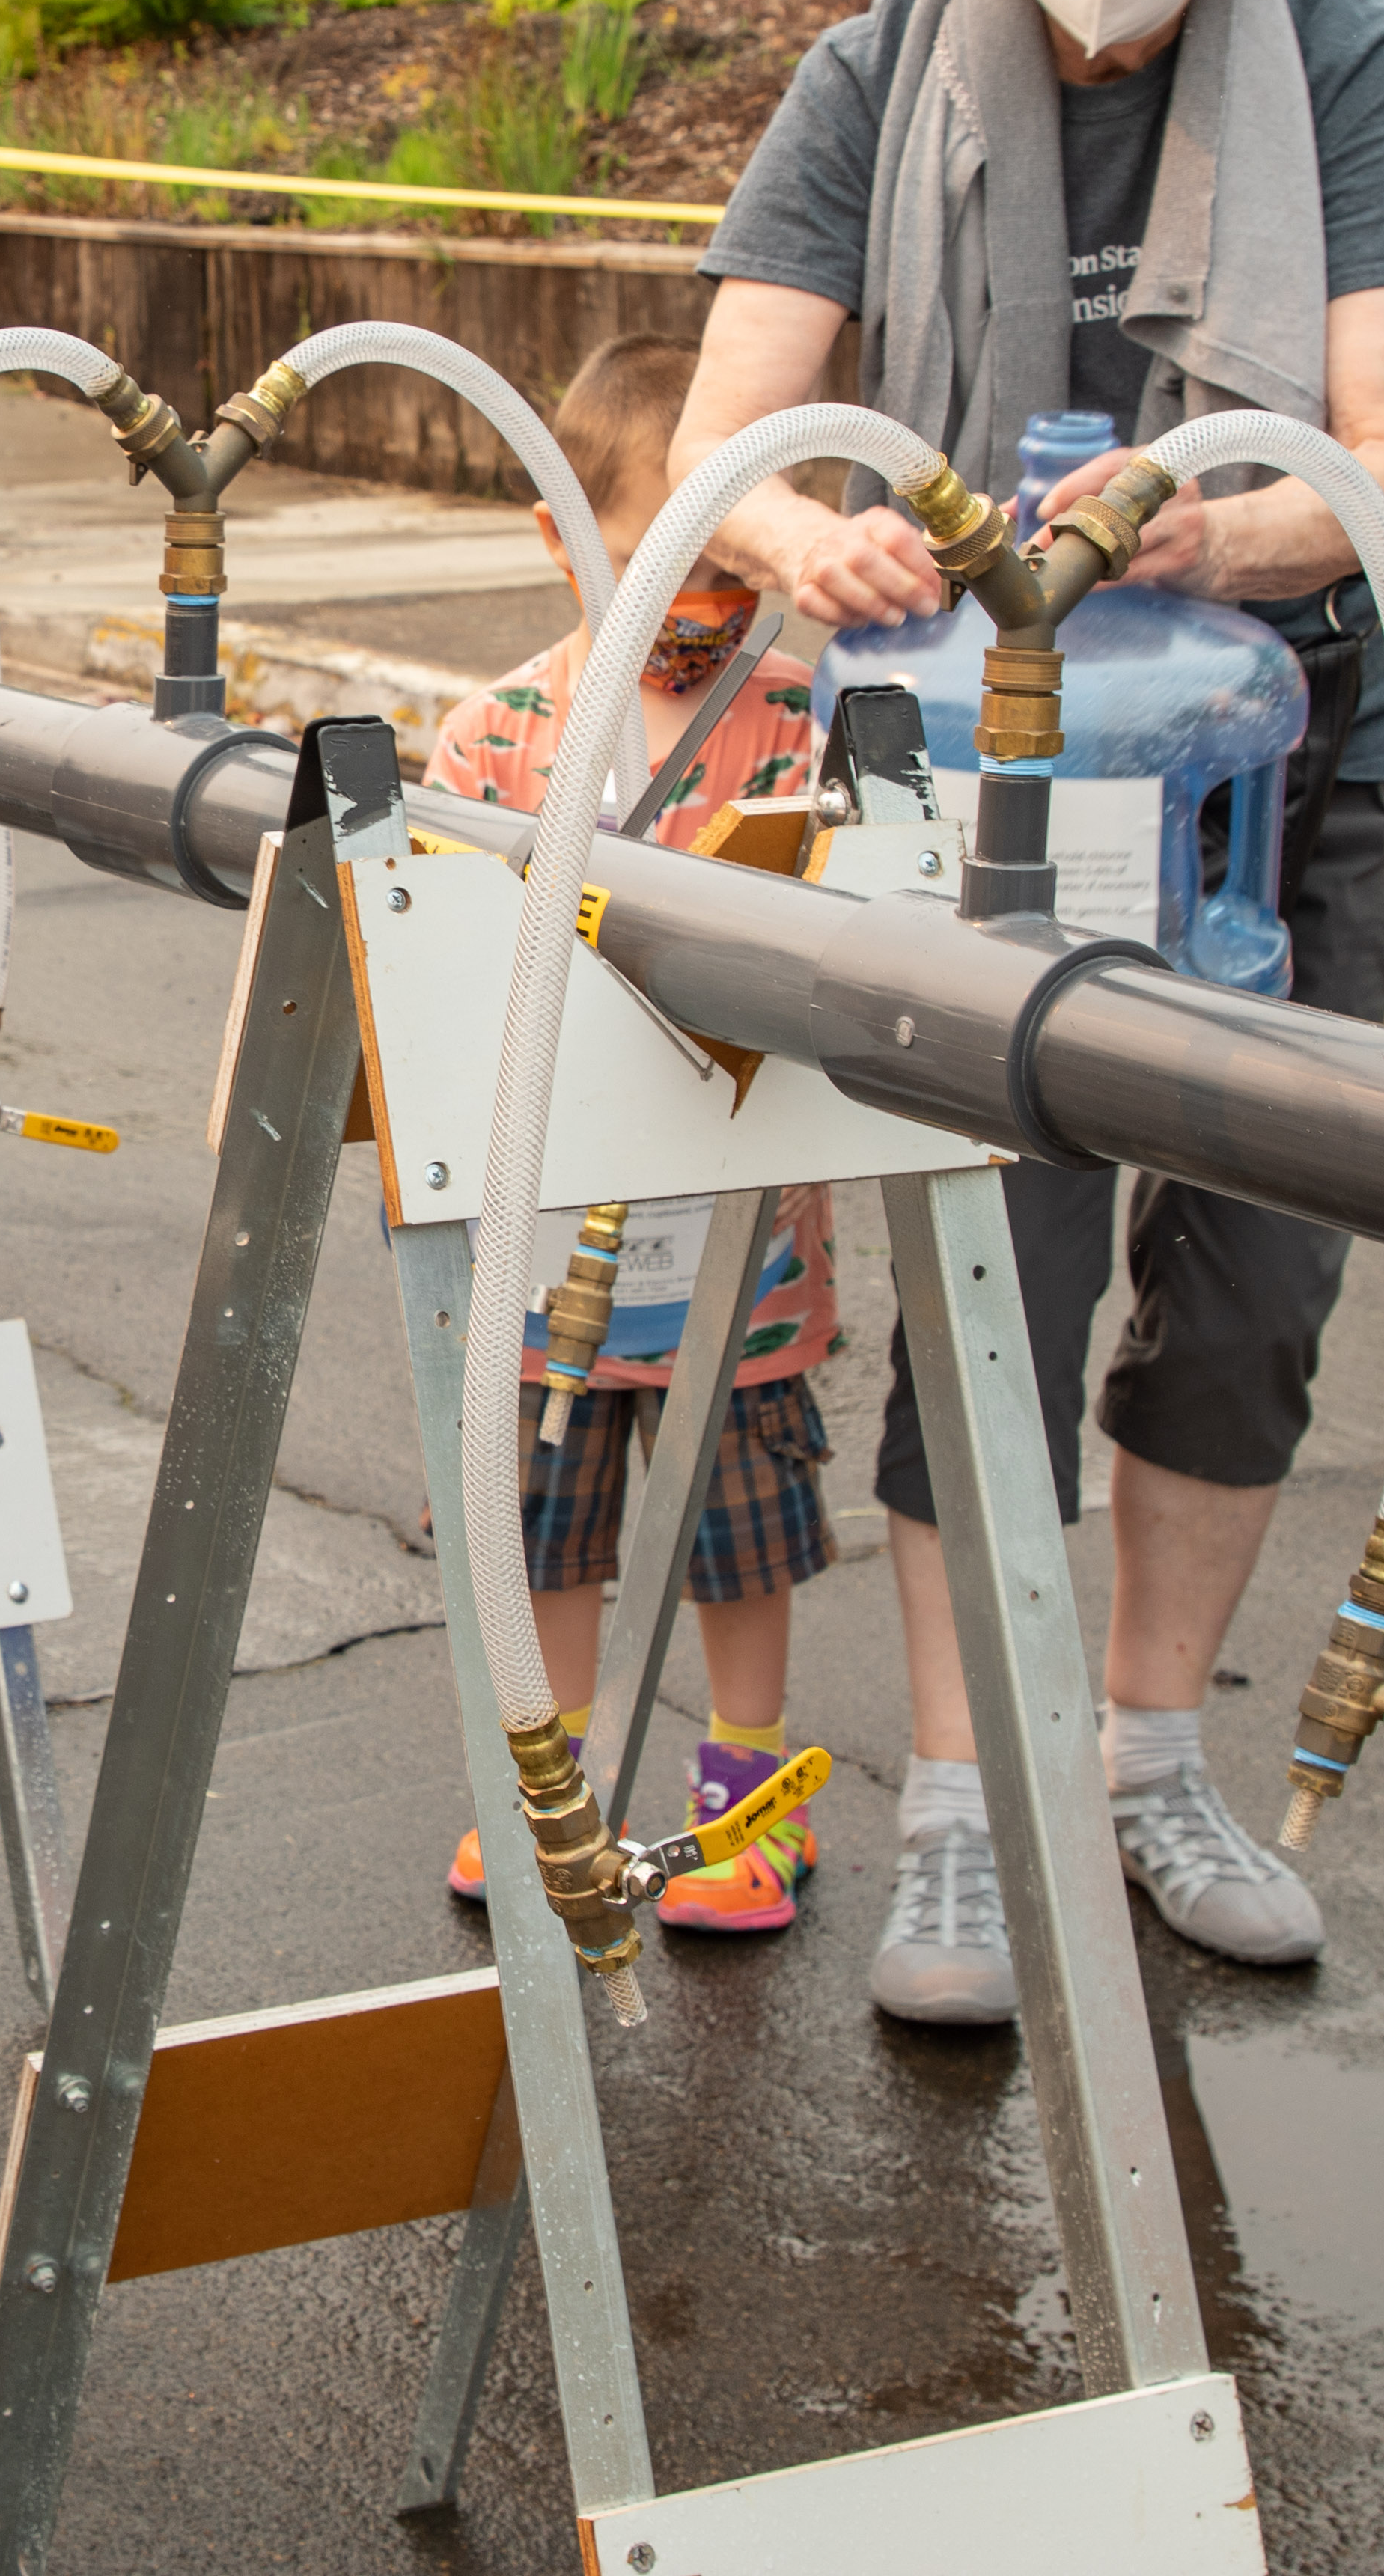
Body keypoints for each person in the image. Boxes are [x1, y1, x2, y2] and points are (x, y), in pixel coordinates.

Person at [671, 0, 1384, 2023]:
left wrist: (1209, 524)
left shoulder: (1351, 65)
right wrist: (815, 534)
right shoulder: (873, 67)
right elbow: (726, 448)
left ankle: (1139, 1759)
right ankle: (952, 1797)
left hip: (1273, 753)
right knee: (986, 1276)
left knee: (1250, 1279)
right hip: (968, 762)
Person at [421, 337, 841, 1936]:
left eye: (741, 562)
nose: (711, 604)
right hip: (549, 1234)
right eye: (669, 555)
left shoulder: (807, 726)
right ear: (561, 532)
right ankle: (555, 1785)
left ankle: (751, 1804)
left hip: (746, 1241)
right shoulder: (500, 737)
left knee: (740, 1530)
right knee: (554, 1524)